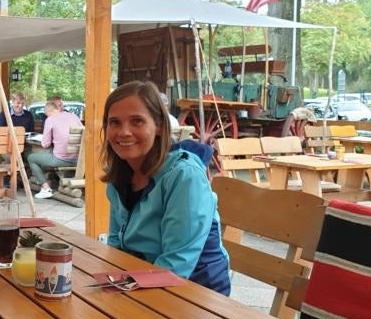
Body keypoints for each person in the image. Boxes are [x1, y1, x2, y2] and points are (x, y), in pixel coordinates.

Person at [100, 81, 231, 294]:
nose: (124, 132)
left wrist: (121, 293)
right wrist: (112, 283)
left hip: (197, 290)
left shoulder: (184, 176)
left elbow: (177, 263)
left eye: (137, 121)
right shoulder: (120, 177)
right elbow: (116, 246)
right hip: (143, 279)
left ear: (159, 126)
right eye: (114, 122)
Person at [28, 98, 82, 199]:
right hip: (78, 159)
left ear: (48, 112)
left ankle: (45, 189)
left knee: (31, 158)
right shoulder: (74, 116)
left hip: (61, 159)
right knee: (49, 154)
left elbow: (45, 144)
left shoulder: (50, 119)